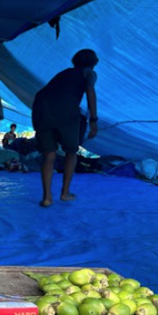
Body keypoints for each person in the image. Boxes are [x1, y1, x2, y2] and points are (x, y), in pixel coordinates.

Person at [31, 49, 99, 207]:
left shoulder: (65, 73)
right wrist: (93, 120)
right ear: (94, 63)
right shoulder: (89, 73)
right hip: (66, 109)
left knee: (49, 154)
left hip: (41, 107)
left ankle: (47, 197)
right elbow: (90, 92)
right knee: (71, 151)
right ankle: (65, 193)